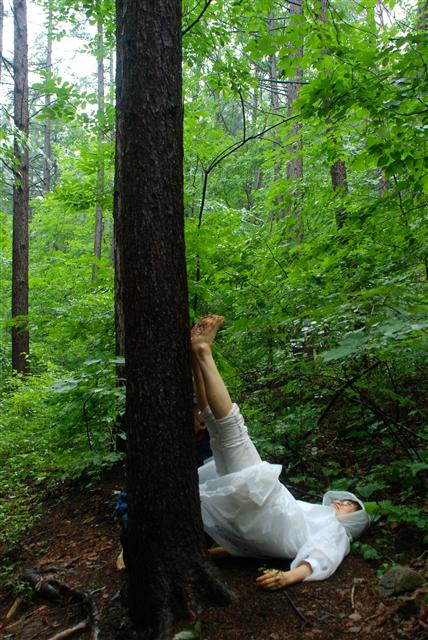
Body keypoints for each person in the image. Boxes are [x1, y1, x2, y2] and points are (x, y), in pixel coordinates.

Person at [191, 314, 370, 590]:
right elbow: (256, 545)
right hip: (255, 512)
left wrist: (288, 577)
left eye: (348, 506)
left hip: (265, 504)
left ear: (354, 522)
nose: (339, 503)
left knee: (232, 430)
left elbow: (322, 558)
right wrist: (211, 554)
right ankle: (195, 354)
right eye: (344, 501)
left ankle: (202, 350)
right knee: (216, 427)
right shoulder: (317, 516)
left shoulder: (337, 532)